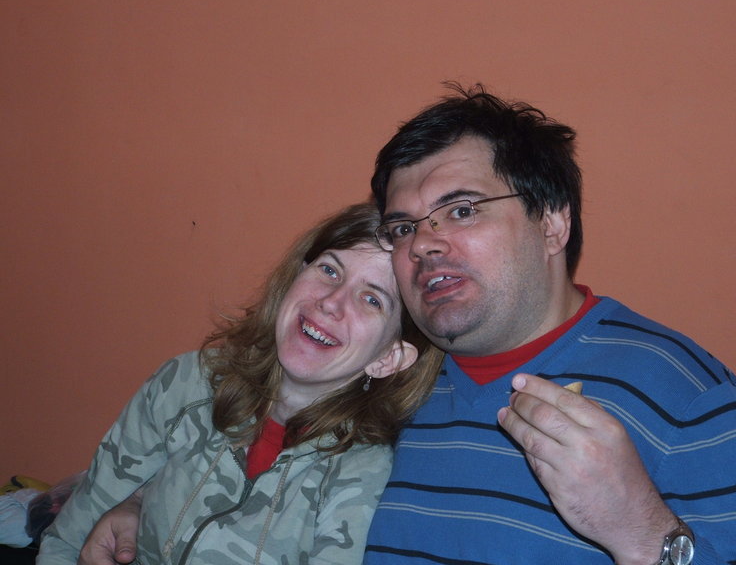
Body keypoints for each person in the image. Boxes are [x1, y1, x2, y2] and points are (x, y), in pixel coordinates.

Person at [78, 85, 736, 564]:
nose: (422, 243)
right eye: (403, 226)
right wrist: (144, 505)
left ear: (552, 223)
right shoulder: (384, 383)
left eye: (461, 210)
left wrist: (643, 532)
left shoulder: (683, 393)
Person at [36, 202, 442, 565]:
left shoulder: (365, 471)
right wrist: (132, 503)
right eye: (329, 270)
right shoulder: (187, 383)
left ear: (388, 358)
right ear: (297, 275)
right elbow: (67, 541)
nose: (331, 302)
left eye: (372, 299)